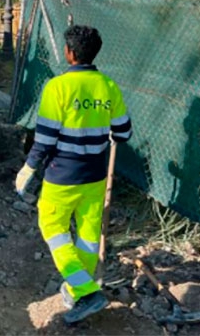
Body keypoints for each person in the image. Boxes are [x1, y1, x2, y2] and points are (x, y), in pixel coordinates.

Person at [15, 25, 132, 325]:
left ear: (69, 53)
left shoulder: (57, 87)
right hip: (95, 176)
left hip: (62, 175)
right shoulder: (108, 86)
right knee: (89, 236)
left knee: (53, 227)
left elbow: (45, 139)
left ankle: (87, 292)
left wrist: (28, 167)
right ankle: (76, 288)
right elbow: (123, 132)